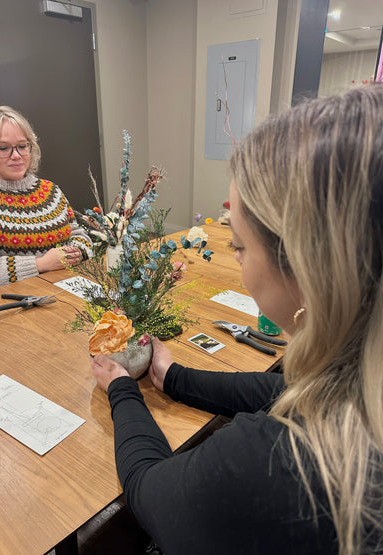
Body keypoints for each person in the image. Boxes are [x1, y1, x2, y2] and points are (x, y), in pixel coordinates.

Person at [90, 85, 383, 555]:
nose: (240, 265)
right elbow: (282, 390)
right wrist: (173, 376)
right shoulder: (359, 372)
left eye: (240, 247)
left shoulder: (283, 462)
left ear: (305, 268)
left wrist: (123, 390)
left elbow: (153, 492)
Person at [0, 106, 93, 293]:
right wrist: (41, 264)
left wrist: (76, 252)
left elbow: (79, 235)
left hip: (69, 292)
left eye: (22, 146)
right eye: (3, 148)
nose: (16, 155)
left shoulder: (51, 191)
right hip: (15, 307)